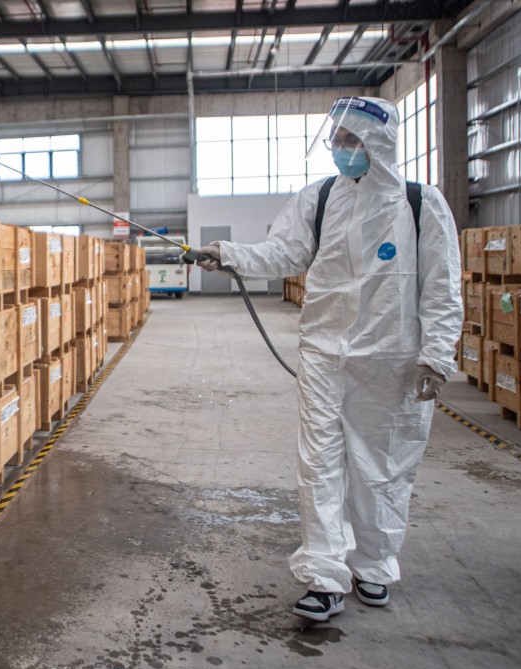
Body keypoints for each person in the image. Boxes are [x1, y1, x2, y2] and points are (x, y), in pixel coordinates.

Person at [197, 96, 463, 622]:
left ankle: (374, 565)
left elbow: (442, 287)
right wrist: (227, 253)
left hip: (391, 360)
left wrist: (437, 354)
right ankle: (323, 575)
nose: (340, 150)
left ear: (378, 143)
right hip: (324, 354)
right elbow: (283, 253)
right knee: (319, 464)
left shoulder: (421, 203)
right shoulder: (319, 198)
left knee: (382, 467)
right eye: (336, 140)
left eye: (350, 140)